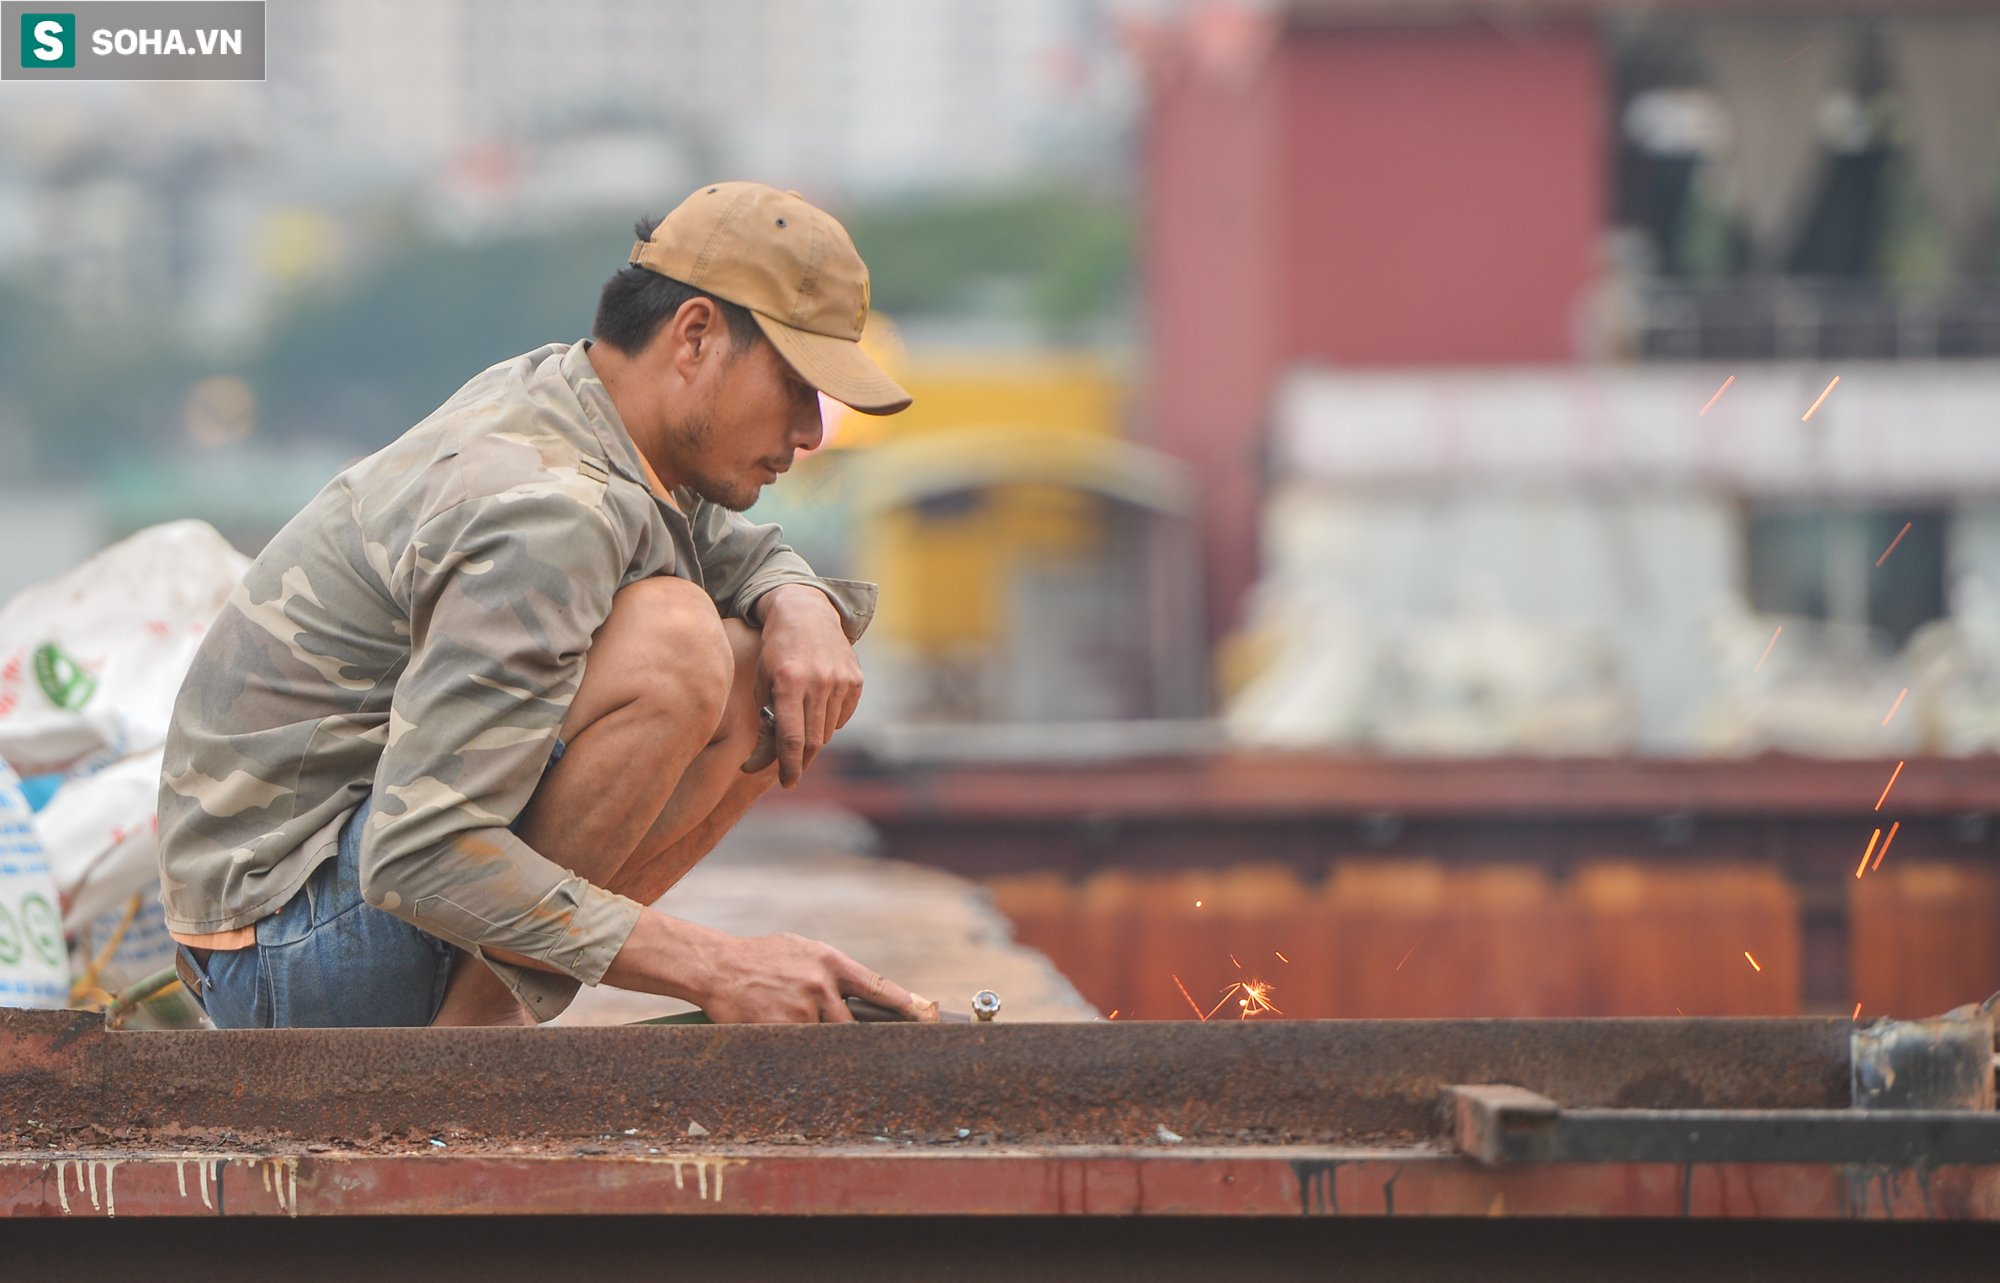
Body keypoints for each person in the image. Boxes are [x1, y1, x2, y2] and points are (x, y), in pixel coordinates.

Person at [157, 182, 933, 1028]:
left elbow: (723, 547)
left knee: (757, 664)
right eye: (794, 383)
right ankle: (473, 1037)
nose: (813, 431)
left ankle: (482, 1018)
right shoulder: (545, 509)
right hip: (283, 955)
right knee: (676, 641)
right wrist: (720, 968)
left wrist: (801, 601)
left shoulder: (585, 402)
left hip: (323, 907)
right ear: (696, 336)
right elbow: (417, 858)